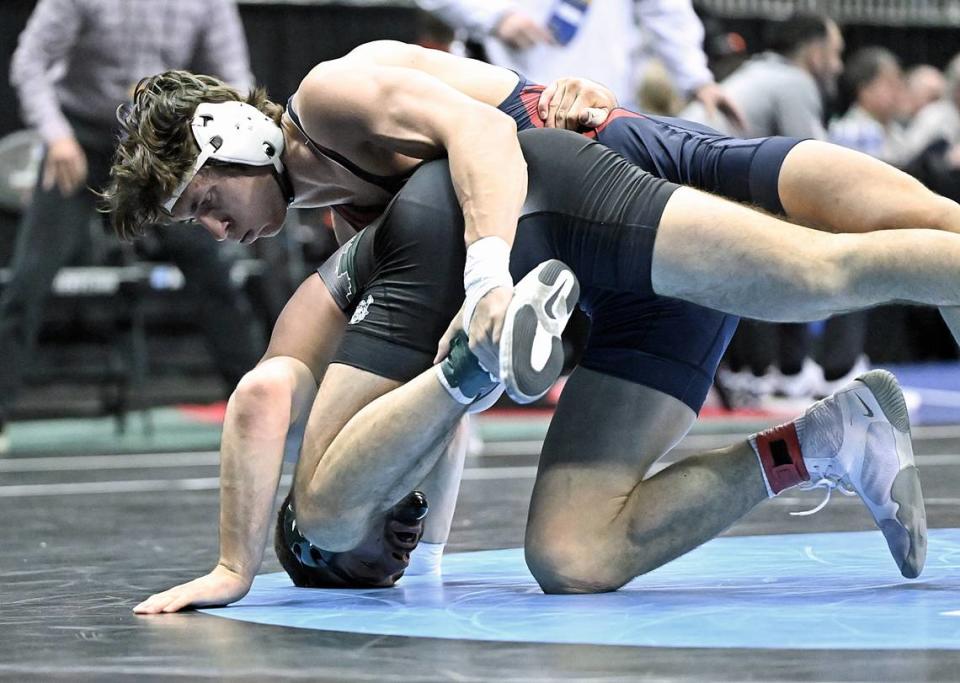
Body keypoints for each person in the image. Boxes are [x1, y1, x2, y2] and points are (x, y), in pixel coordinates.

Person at [107, 42, 960, 611]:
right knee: (572, 553)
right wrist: (427, 550)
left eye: (210, 205)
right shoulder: (349, 219)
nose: (221, 233)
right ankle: (828, 440)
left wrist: (486, 273)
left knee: (868, 250)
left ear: (241, 136)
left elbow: (484, 126)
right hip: (605, 271)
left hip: (632, 170)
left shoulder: (331, 98)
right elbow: (359, 398)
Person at [3, 0, 264, 447]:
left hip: (156, 139)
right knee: (30, 276)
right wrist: (56, 135)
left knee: (213, 272)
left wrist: (212, 138)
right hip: (81, 135)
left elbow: (236, 81)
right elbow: (29, 62)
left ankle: (254, 409)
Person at [416, 0, 742, 123]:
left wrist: (696, 79)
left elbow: (665, 9)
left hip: (601, 102)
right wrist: (493, 17)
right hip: (503, 95)